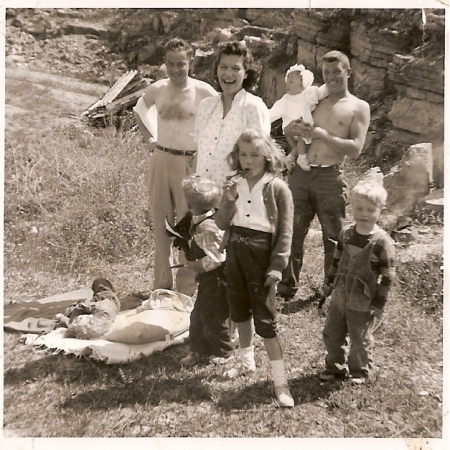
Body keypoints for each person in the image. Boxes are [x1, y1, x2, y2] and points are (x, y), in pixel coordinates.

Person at [277, 50, 371, 301]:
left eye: (336, 71)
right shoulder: (315, 98)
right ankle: (286, 287)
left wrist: (322, 135)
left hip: (330, 177)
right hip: (300, 173)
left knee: (333, 237)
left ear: (348, 72)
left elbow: (355, 148)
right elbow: (288, 125)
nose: (330, 77)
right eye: (326, 72)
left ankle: (331, 291)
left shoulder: (358, 107)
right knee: (291, 231)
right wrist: (292, 129)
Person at [216, 128, 294, 408]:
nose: (248, 160)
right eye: (243, 154)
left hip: (261, 255)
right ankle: (245, 361)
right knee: (238, 310)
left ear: (267, 156)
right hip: (235, 251)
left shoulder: (277, 188)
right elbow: (223, 223)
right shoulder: (234, 183)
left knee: (265, 320)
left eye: (255, 155)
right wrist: (227, 199)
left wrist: (277, 266)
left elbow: (285, 231)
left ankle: (281, 381)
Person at [137, 38, 217, 296]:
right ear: (164, 63)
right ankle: (161, 286)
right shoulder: (157, 89)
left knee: (187, 226)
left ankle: (185, 289)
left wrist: (205, 153)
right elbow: (139, 110)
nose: (175, 69)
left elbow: (222, 123)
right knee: (160, 223)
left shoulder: (204, 91)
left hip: (188, 162)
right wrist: (149, 138)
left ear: (190, 61)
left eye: (181, 64)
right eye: (170, 64)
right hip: (161, 158)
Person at [319, 168, 396, 384]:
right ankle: (334, 367)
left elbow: (388, 278)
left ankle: (359, 371)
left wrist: (379, 303)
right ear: (352, 207)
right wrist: (328, 284)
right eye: (359, 208)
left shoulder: (383, 243)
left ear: (381, 210)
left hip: (363, 299)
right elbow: (336, 260)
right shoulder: (346, 233)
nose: (364, 214)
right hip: (340, 294)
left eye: (370, 210)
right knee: (332, 333)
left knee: (359, 337)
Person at [195, 40, 271, 187]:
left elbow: (261, 159)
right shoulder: (206, 106)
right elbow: (199, 154)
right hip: (203, 198)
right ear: (216, 70)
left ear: (246, 73)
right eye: (223, 67)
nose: (228, 74)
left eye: (236, 68)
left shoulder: (254, 107)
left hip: (237, 200)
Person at [179, 174, 233, 367]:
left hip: (217, 279)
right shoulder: (198, 219)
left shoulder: (207, 228)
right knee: (198, 315)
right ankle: (198, 349)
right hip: (208, 279)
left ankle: (224, 353)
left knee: (214, 317)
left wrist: (196, 265)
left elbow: (217, 258)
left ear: (189, 204)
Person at [269, 64, 328, 171]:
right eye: (287, 81)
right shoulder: (285, 100)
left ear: (302, 85)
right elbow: (273, 113)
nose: (287, 84)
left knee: (298, 145)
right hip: (290, 130)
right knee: (301, 136)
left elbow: (321, 92)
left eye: (291, 82)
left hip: (300, 129)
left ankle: (290, 158)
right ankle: (301, 157)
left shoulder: (307, 95)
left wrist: (330, 85)